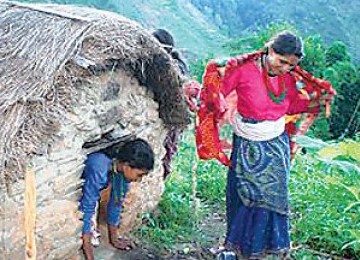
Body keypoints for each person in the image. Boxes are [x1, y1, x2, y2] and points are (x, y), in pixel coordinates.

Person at [200, 31, 333, 259]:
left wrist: (315, 101)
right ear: (270, 50)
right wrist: (208, 99)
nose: (285, 69)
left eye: (291, 65)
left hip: (276, 144)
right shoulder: (243, 69)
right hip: (247, 141)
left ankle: (261, 247)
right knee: (243, 194)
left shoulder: (289, 77)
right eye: (282, 61)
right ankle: (235, 246)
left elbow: (289, 104)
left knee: (271, 197)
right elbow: (217, 93)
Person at [79, 138, 155, 260]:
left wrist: (114, 239)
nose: (139, 180)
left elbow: (116, 202)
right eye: (139, 174)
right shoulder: (99, 167)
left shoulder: (120, 171)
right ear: (126, 166)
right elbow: (87, 207)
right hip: (86, 187)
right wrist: (89, 253)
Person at [152, 28, 194, 178]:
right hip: (167, 115)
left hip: (173, 116)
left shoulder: (176, 67)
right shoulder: (169, 63)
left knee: (167, 148)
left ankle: (161, 177)